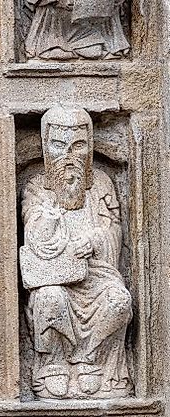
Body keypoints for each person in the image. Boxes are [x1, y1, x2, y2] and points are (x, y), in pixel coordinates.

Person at [21, 105, 132, 400]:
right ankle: (54, 362)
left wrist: (95, 239)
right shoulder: (37, 187)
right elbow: (34, 236)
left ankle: (89, 357)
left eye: (78, 145)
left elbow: (113, 234)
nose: (68, 156)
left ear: (90, 146)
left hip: (97, 275)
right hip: (56, 277)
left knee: (119, 302)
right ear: (46, 146)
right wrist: (49, 219)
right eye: (59, 145)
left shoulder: (101, 185)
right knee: (49, 298)